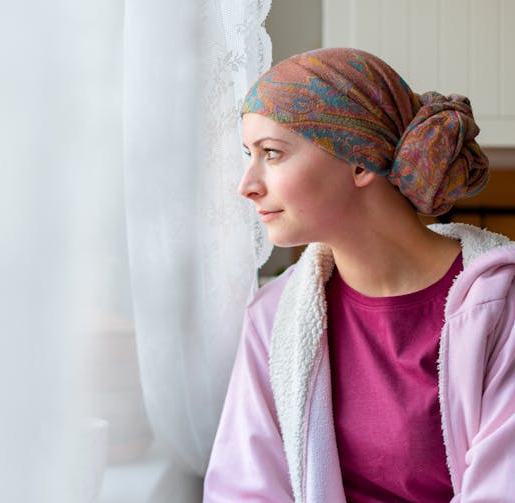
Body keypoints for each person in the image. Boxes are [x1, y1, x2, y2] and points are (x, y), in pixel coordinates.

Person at [203, 47, 515, 502]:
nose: (246, 185)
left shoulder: (498, 307)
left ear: (361, 161)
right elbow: (243, 489)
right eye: (249, 154)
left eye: (271, 153)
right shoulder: (274, 319)